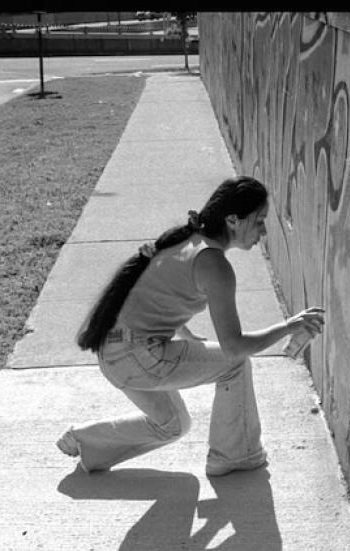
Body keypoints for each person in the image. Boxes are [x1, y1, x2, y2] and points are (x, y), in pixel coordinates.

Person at [56, 176, 324, 476]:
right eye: (259, 220)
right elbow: (234, 347)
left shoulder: (187, 241)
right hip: (136, 356)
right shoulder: (214, 265)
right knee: (234, 363)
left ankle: (84, 440)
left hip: (115, 352)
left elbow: (160, 292)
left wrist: (184, 333)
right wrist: (290, 326)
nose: (263, 230)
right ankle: (235, 456)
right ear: (233, 220)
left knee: (173, 426)